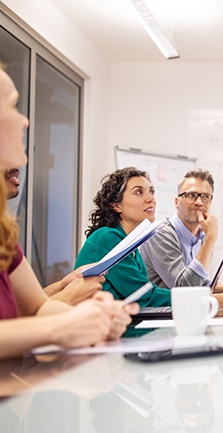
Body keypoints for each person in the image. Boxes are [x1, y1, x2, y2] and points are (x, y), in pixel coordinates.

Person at [0, 65, 134, 359]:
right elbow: (47, 321)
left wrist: (97, 321)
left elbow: (39, 306)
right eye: (12, 107)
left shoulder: (3, 233)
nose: (25, 121)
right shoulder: (107, 236)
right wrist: (60, 327)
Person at [75, 167, 223, 307]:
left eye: (151, 192)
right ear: (116, 205)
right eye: (139, 192)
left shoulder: (131, 247)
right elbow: (146, 297)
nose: (151, 199)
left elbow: (146, 295)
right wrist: (216, 300)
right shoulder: (107, 238)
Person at [5, 167, 104, 305]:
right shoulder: (106, 236)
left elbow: (29, 306)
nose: (21, 163)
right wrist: (69, 297)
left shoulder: (5, 237)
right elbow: (15, 320)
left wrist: (63, 285)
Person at [140, 169, 223, 291]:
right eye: (192, 195)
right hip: (161, 309)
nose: (199, 202)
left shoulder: (202, 236)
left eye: (205, 197)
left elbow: (199, 283)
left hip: (185, 308)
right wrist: (211, 238)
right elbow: (185, 289)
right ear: (177, 202)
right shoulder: (160, 233)